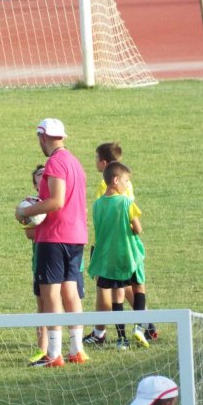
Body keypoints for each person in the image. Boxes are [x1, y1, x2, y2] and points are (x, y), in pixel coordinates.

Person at [15, 118, 88, 366]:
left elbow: (56, 201)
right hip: (76, 235)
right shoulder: (75, 162)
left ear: (42, 137)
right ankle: (76, 349)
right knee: (71, 291)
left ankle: (54, 354)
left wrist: (25, 211)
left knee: (51, 294)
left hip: (55, 235)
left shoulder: (55, 162)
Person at [84, 143, 156, 346]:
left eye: (96, 158)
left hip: (106, 250)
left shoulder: (99, 199)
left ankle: (119, 337)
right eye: (125, 180)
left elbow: (99, 224)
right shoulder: (126, 197)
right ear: (118, 180)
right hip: (128, 249)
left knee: (113, 291)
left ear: (105, 164)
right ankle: (142, 326)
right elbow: (137, 227)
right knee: (135, 286)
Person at [23, 165, 49, 366]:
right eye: (38, 176)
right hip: (39, 259)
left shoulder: (57, 199)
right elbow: (29, 233)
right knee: (42, 306)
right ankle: (43, 349)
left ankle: (75, 347)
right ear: (35, 183)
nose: (43, 177)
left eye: (45, 174)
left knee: (68, 302)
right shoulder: (31, 203)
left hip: (62, 257)